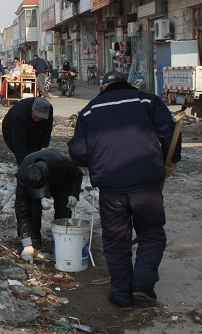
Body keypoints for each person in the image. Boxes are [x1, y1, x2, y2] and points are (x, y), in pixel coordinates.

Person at [68, 71, 181, 311]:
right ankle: (143, 284)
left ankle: (121, 294)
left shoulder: (90, 110)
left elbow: (78, 151)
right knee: (151, 233)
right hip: (146, 181)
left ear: (103, 87)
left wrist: (92, 161)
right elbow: (169, 133)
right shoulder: (147, 100)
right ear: (125, 84)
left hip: (111, 187)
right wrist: (168, 161)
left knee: (116, 239)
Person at [15, 149, 83, 260]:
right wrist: (26, 243)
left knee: (63, 206)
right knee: (32, 209)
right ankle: (34, 243)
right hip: (33, 178)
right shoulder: (23, 177)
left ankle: (62, 238)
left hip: (59, 178)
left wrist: (73, 194)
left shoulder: (61, 164)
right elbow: (22, 211)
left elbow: (77, 175)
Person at [2, 97, 53, 165]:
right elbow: (19, 140)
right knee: (22, 153)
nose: (38, 118)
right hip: (11, 130)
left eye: (41, 117)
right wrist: (24, 163)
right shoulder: (19, 113)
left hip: (32, 128)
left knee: (35, 151)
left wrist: (43, 147)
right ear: (32, 109)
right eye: (36, 115)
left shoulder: (48, 109)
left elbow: (47, 130)